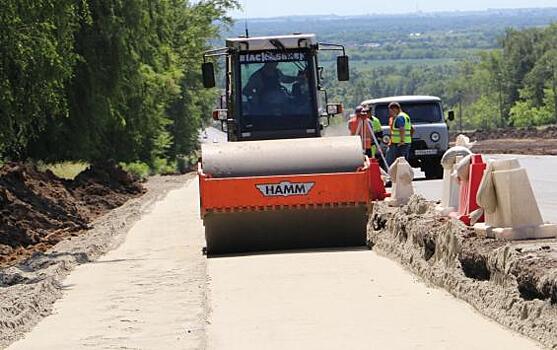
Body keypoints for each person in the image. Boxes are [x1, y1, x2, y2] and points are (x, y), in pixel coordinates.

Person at [386, 101, 412, 166]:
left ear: (395, 109)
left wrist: (402, 140)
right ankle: (402, 175)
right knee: (403, 162)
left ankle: (392, 175)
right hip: (406, 142)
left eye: (390, 111)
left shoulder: (399, 117)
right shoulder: (406, 116)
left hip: (399, 144)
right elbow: (412, 129)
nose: (390, 113)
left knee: (395, 161)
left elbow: (402, 129)